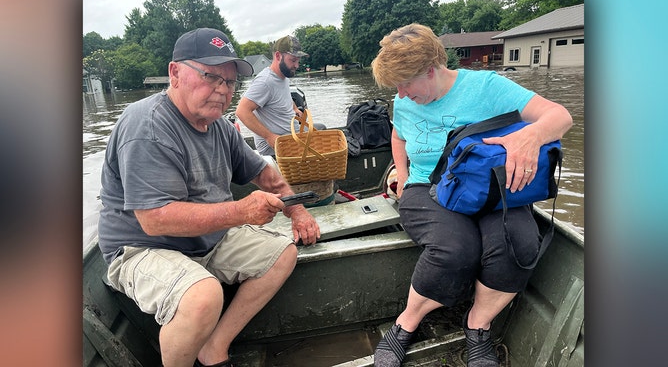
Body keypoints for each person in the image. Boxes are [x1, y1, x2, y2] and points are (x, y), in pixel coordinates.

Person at [97, 27, 320, 367]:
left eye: (230, 83)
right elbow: (154, 220)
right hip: (141, 247)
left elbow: (264, 174)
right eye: (210, 76)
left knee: (281, 254)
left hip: (204, 240)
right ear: (175, 73)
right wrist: (242, 211)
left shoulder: (216, 125)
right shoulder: (147, 126)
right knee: (202, 295)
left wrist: (299, 211)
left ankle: (214, 346)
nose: (222, 91)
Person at [369, 24, 572, 367]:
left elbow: (560, 116)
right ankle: (406, 323)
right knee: (455, 248)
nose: (400, 94)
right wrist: (402, 176)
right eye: (395, 87)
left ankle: (478, 325)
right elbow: (398, 136)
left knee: (520, 242)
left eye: (405, 84)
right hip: (427, 186)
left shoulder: (487, 87)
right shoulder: (403, 101)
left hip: (487, 187)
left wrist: (531, 136)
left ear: (430, 70)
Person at [236, 35, 323, 156]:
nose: (297, 65)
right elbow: (242, 111)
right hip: (277, 144)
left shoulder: (283, 76)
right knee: (322, 143)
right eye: (293, 60)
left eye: (298, 60)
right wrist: (269, 137)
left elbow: (284, 96)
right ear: (278, 56)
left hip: (291, 135)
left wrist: (295, 108)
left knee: (321, 130)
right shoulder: (265, 82)